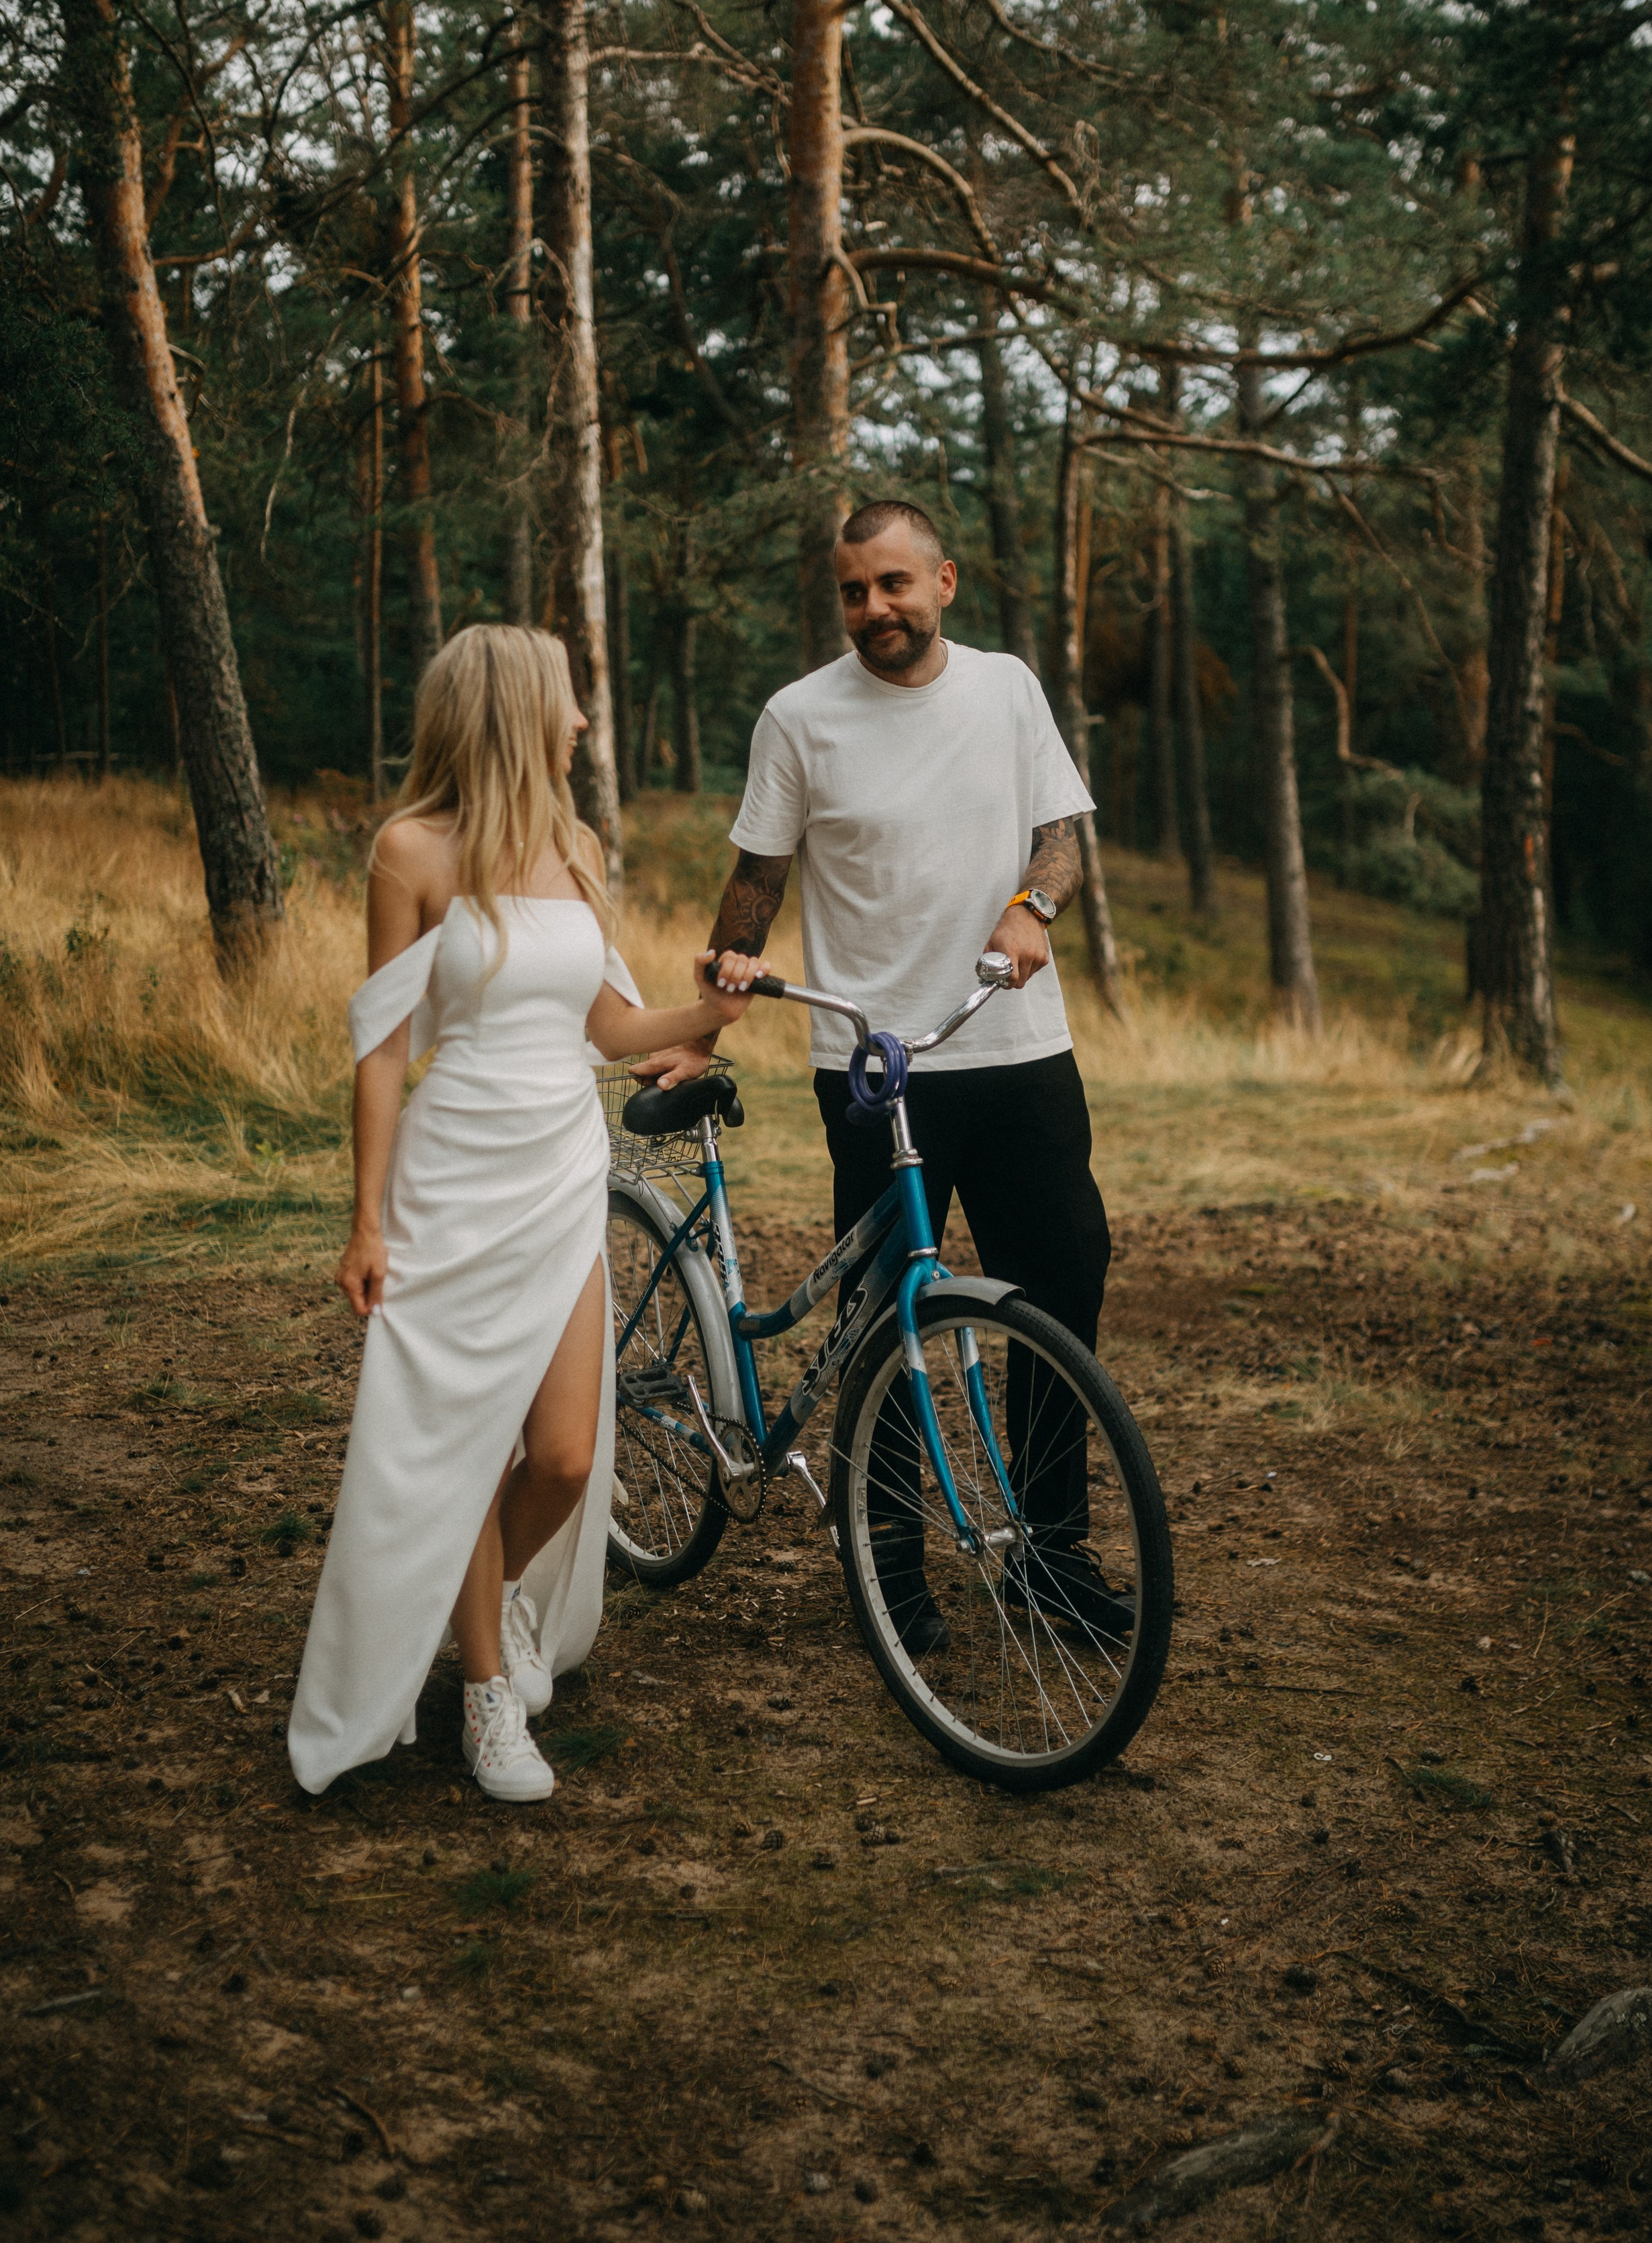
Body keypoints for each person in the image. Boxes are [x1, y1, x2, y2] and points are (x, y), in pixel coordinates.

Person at [287, 626, 763, 1804]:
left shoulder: (577, 844)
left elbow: (607, 1030)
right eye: (569, 702)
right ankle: (486, 1694)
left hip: (561, 1169)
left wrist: (709, 1011)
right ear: (512, 710)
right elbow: (385, 1050)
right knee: (448, 1448)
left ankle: (485, 1587)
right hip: (450, 1181)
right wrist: (365, 1221)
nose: (585, 723)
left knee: (561, 1453)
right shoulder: (410, 852)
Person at [648, 501, 1129, 1651]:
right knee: (885, 1327)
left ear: (946, 581)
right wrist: (710, 1026)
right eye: (855, 592)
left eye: (896, 585)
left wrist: (1034, 907)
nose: (876, 610)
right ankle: (889, 1566)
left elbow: (1061, 831)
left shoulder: (1009, 687)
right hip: (873, 1068)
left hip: (1016, 1051)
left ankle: (1050, 1559)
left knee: (1062, 1291)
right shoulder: (799, 718)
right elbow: (756, 884)